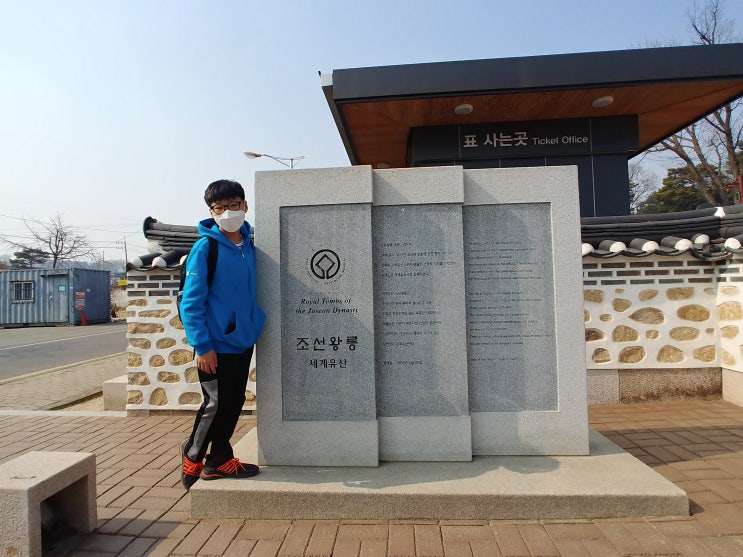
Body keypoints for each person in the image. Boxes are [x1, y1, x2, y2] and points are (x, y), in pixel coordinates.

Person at [178, 179, 266, 490]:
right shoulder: (206, 248)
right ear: (211, 212)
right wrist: (202, 346)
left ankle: (219, 460)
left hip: (242, 341)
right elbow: (191, 302)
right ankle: (193, 456)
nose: (226, 212)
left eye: (232, 205)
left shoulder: (251, 244)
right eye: (219, 208)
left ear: (244, 205)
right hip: (214, 346)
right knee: (214, 404)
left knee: (233, 401)